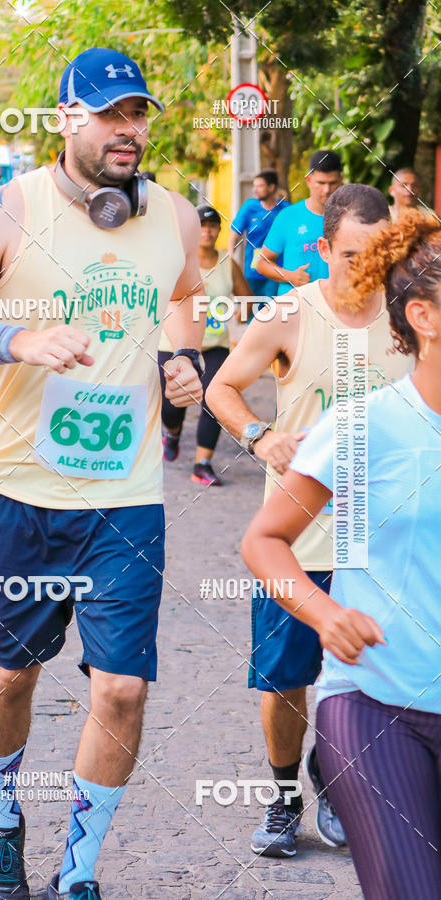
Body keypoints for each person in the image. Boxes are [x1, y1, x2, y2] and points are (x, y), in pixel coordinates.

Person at [0, 47, 205, 900]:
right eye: (111, 114)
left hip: (125, 501)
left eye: (139, 114)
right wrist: (16, 340)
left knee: (121, 691)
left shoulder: (175, 216)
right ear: (67, 118)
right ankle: (4, 814)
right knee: (13, 673)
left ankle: (77, 874)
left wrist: (181, 359)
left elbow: (183, 292)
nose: (129, 130)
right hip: (21, 493)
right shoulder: (3, 214)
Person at [240, 209, 441, 898]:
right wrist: (324, 615)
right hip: (376, 700)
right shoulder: (367, 425)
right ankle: (289, 793)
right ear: (424, 316)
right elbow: (264, 540)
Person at [206, 184, 411, 858]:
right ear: (321, 248)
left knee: (372, 679)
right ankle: (283, 794)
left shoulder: (413, 317)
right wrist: (260, 436)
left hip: (384, 542)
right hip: (295, 540)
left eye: (381, 254)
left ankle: (342, 785)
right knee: (286, 679)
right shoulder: (290, 314)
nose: (367, 268)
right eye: (353, 255)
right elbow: (221, 388)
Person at [159, 204, 248, 485]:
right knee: (172, 405)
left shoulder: (227, 263)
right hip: (174, 344)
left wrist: (239, 310)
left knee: (214, 399)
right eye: (202, 226)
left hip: (215, 346)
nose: (208, 231)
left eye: (213, 226)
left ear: (219, 231)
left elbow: (246, 300)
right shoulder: (177, 260)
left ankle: (202, 464)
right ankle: (172, 433)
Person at [255, 150, 342, 294]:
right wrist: (291, 276)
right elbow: (262, 263)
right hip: (295, 308)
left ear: (340, 180)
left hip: (336, 308)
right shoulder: (288, 216)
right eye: (320, 183)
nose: (326, 190)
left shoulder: (349, 217)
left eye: (332, 183)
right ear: (308, 180)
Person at [228, 170, 290, 298]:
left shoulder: (286, 209)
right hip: (252, 271)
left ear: (271, 187)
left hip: (276, 271)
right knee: (250, 312)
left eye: (259, 186)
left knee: (271, 312)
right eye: (254, 186)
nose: (255, 190)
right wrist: (230, 258)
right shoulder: (249, 206)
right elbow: (234, 235)